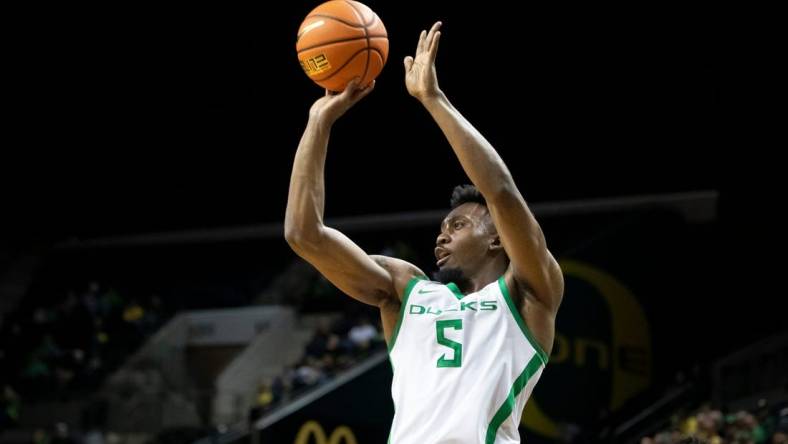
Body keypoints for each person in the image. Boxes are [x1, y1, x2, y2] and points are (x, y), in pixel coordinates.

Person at [285, 21, 564, 444]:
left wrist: (434, 100)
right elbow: (304, 235)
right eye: (441, 228)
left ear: (497, 239)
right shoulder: (405, 288)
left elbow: (501, 191)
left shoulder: (527, 293)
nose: (441, 237)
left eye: (458, 225)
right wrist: (318, 122)